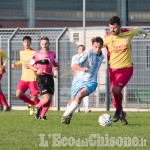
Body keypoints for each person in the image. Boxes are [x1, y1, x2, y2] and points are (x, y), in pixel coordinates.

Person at [103, 16, 148, 125]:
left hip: (126, 69)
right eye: (110, 28)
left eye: (114, 28)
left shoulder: (128, 33)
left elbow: (139, 29)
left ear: (120, 26)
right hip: (112, 70)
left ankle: (118, 111)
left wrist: (144, 33)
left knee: (116, 90)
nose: (112, 30)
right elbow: (98, 47)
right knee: (114, 93)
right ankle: (122, 115)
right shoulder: (107, 38)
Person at [61, 37, 104, 124]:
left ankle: (65, 116)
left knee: (80, 95)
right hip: (79, 79)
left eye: (99, 47)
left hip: (91, 82)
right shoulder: (87, 53)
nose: (97, 49)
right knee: (72, 99)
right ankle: (69, 113)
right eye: (96, 47)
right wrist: (81, 69)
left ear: (102, 47)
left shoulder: (102, 56)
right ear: (92, 45)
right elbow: (74, 65)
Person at [28, 36, 59, 120]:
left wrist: (56, 67)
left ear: (49, 44)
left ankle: (42, 116)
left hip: (49, 77)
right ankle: (37, 107)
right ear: (40, 44)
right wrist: (36, 70)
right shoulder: (37, 54)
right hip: (41, 78)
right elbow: (29, 65)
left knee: (49, 100)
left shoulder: (52, 54)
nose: (44, 45)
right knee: (46, 98)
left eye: (46, 43)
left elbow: (56, 63)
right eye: (42, 44)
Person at [11, 36, 40, 115]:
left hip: (32, 78)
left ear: (30, 43)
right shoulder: (21, 52)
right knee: (18, 94)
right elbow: (21, 61)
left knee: (35, 97)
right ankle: (31, 104)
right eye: (25, 42)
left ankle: (41, 111)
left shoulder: (34, 52)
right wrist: (15, 64)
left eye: (28, 42)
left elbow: (36, 64)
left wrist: (30, 66)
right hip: (23, 78)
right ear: (23, 43)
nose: (26, 43)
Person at [69, 45, 91, 113]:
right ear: (78, 50)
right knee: (76, 93)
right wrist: (76, 71)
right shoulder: (75, 57)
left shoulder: (87, 57)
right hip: (77, 76)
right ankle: (76, 108)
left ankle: (86, 108)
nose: (82, 50)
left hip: (85, 77)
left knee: (85, 91)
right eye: (80, 49)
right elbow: (73, 67)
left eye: (83, 49)